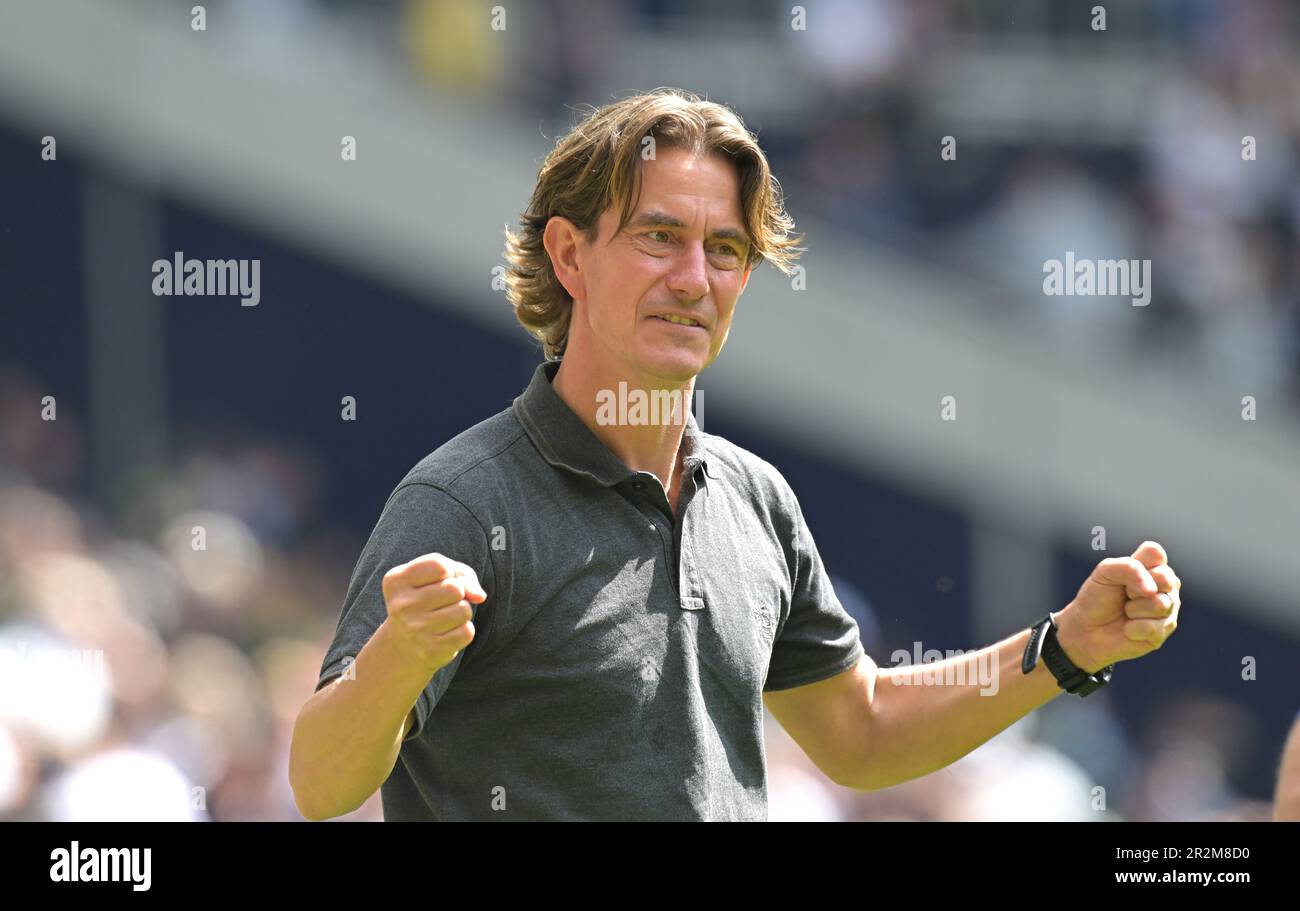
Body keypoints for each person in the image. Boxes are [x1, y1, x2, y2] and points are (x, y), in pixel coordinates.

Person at [288, 87, 1183, 821]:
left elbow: (860, 731)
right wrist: (396, 659)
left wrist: (1063, 645)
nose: (694, 279)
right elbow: (320, 782)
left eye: (724, 249)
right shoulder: (464, 498)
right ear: (569, 253)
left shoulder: (757, 498)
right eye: (657, 236)